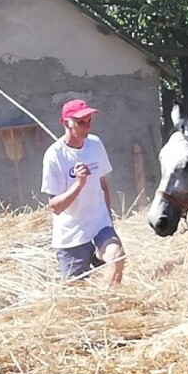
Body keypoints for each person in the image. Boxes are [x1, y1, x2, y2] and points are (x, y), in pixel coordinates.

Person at [41, 99, 124, 285]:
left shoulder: (95, 144)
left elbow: (103, 185)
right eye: (81, 122)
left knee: (117, 256)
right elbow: (55, 206)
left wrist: (108, 219)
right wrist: (79, 184)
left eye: (89, 121)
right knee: (76, 292)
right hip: (72, 235)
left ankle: (109, 299)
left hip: (100, 226)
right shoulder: (54, 155)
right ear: (66, 123)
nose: (87, 126)